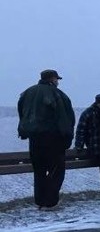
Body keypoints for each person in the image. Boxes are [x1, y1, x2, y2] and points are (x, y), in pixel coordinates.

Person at [17, 69, 76, 209]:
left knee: (39, 171)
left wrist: (24, 131)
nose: (57, 82)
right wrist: (67, 138)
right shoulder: (57, 94)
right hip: (53, 139)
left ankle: (40, 201)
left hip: (34, 139)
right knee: (56, 170)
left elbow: (22, 113)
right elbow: (65, 117)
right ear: (52, 79)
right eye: (57, 79)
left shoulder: (27, 93)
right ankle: (50, 202)